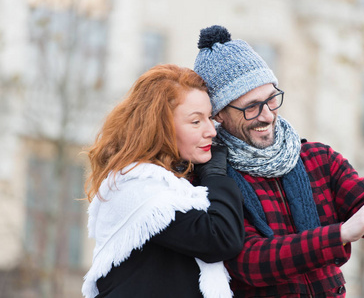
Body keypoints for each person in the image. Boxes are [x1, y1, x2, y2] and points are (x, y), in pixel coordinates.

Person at [193, 25, 364, 298]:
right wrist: (340, 234)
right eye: (251, 107)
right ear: (219, 115)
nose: (268, 115)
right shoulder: (212, 178)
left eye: (272, 100)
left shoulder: (316, 159)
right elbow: (249, 261)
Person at [81, 64, 244, 298]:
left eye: (210, 118)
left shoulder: (174, 182)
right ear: (161, 127)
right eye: (196, 122)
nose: (212, 131)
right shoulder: (137, 187)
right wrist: (216, 175)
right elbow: (220, 238)